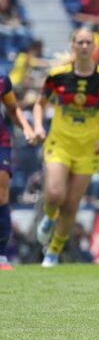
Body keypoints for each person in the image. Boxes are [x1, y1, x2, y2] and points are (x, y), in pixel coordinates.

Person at [34, 28, 99, 268]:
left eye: (88, 42)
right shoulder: (57, 76)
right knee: (54, 194)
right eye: (79, 42)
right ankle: (49, 217)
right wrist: (39, 126)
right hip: (60, 143)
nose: (84, 46)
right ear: (72, 45)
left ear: (93, 47)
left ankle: (52, 253)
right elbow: (39, 104)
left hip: (88, 148)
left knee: (71, 204)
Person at [0, 72, 41, 270]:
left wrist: (26, 127)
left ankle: (1, 256)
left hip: (1, 142)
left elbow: (12, 108)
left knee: (1, 196)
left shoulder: (1, 79)